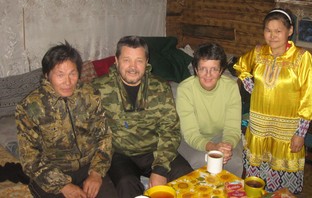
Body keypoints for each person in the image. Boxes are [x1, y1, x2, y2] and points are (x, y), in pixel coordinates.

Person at [92, 35, 193, 198]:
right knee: (126, 184)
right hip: (119, 153)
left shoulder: (159, 87)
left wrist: (160, 169)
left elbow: (170, 130)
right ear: (116, 61)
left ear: (147, 62)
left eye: (139, 60)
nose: (133, 67)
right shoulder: (98, 89)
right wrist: (95, 170)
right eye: (126, 60)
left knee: (186, 177)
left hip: (153, 149)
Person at [233, 8, 312, 194]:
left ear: (289, 31)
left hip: (287, 129)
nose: (272, 36)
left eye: (278, 31)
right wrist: (253, 88)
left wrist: (300, 133)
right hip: (259, 126)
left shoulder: (302, 57)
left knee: (283, 185)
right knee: (256, 181)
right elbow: (240, 66)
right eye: (268, 30)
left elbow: (309, 97)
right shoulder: (258, 53)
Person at [16, 41, 116, 198]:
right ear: (47, 75)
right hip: (51, 171)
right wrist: (62, 185)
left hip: (89, 166)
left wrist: (96, 173)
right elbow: (30, 158)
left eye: (73, 73)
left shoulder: (90, 95)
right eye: (60, 74)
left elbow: (105, 136)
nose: (68, 82)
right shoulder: (29, 107)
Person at [176, 43, 243, 177]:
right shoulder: (185, 90)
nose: (208, 75)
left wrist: (226, 147)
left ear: (221, 70)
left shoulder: (230, 87)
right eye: (203, 69)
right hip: (189, 139)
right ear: (196, 69)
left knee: (235, 162)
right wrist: (214, 149)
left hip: (222, 136)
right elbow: (190, 133)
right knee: (201, 161)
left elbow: (232, 128)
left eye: (214, 69)